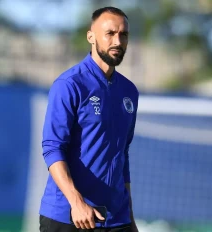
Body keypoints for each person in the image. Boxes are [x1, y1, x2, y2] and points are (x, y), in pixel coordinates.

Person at [39, 6, 139, 232]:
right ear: (91, 36)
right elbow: (52, 148)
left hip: (117, 220)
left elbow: (122, 154)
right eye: (110, 33)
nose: (118, 40)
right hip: (70, 217)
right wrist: (76, 202)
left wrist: (130, 217)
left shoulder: (129, 91)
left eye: (123, 34)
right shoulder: (70, 84)